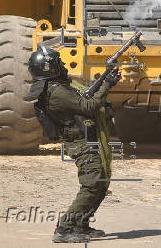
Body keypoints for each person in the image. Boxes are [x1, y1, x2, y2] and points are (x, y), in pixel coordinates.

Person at [26, 46, 121, 243]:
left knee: (100, 184)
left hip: (83, 140)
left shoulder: (55, 87)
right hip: (81, 143)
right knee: (92, 185)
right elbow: (88, 106)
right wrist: (107, 85)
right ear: (49, 69)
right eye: (58, 63)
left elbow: (83, 97)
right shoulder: (57, 91)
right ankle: (64, 228)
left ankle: (81, 224)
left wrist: (104, 80)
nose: (63, 65)